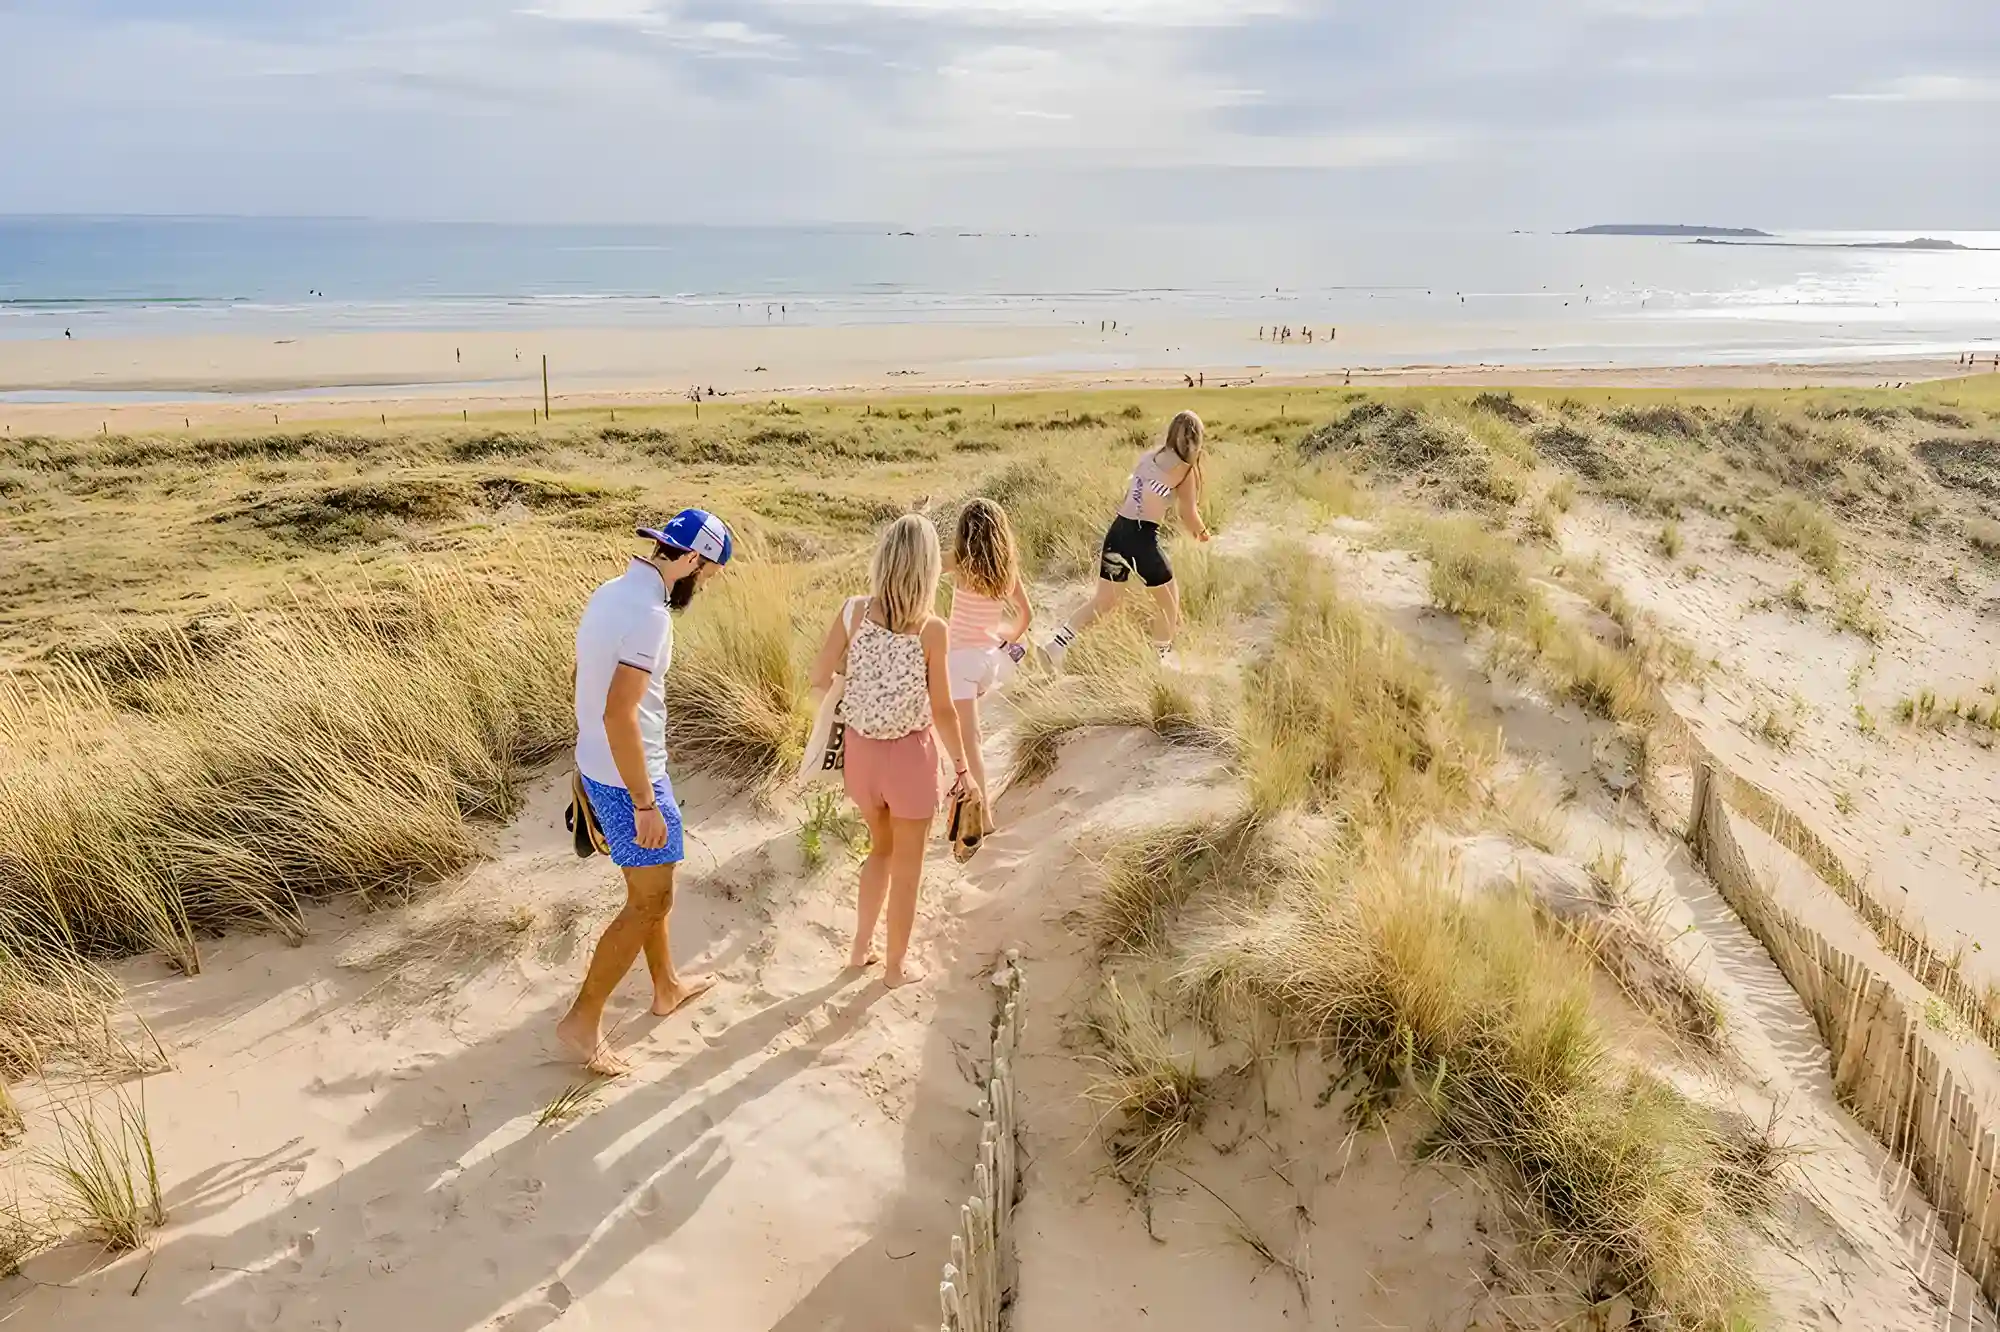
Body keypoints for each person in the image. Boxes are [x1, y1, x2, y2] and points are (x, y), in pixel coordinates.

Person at [556, 508, 735, 1075]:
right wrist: (643, 802)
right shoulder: (653, 615)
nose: (703, 586)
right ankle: (583, 1021)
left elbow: (584, 680)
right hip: (627, 776)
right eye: (705, 575)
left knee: (652, 887)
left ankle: (666, 987)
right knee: (650, 900)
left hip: (599, 763)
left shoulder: (609, 592)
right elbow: (620, 713)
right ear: (692, 560)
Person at [809, 514, 977, 988]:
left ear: (883, 560)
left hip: (860, 757)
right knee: (909, 867)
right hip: (909, 760)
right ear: (928, 570)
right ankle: (895, 968)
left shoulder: (853, 612)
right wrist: (963, 768)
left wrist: (858, 687)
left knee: (879, 851)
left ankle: (860, 949)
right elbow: (943, 711)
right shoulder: (932, 631)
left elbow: (818, 679)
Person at [1043, 409, 1211, 666]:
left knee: (1104, 600)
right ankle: (1163, 662)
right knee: (1169, 605)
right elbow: (1187, 513)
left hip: (1117, 533)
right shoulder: (1186, 472)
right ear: (1197, 440)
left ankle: (1057, 645)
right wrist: (1203, 534)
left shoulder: (1148, 457)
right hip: (1142, 540)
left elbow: (1132, 495)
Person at [945, 499, 1032, 820]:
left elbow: (925, 562)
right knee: (969, 733)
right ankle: (959, 796)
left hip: (960, 664)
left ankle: (985, 817)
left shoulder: (960, 561)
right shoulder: (1007, 569)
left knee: (968, 741)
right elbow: (1027, 614)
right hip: (988, 664)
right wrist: (1007, 634)